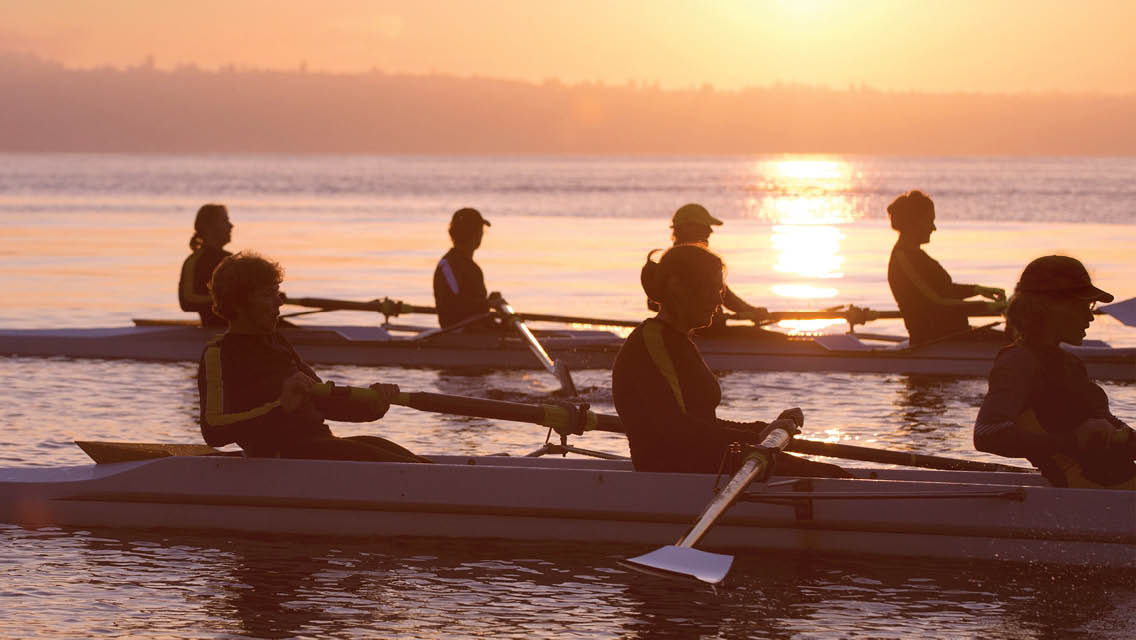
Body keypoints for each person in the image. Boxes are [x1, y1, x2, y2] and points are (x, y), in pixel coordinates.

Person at [613, 244, 850, 477]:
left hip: (706, 462)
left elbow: (706, 424)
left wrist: (763, 429)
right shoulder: (652, 342)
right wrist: (756, 438)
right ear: (677, 287)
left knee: (832, 474)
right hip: (674, 474)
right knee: (834, 478)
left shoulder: (678, 339)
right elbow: (677, 429)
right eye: (713, 289)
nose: (718, 302)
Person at [198, 251, 430, 463]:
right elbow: (214, 431)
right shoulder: (219, 354)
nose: (279, 302)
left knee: (413, 462)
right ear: (238, 303)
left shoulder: (278, 343)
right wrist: (282, 407)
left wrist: (376, 403)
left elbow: (324, 402)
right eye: (268, 294)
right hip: (278, 457)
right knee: (403, 466)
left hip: (318, 446)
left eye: (277, 293)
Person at [974, 256, 1134, 489]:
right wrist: (1069, 442)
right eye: (1083, 306)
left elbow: (1108, 426)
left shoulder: (1071, 363)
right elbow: (986, 433)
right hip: (1089, 496)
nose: (1090, 316)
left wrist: (1126, 437)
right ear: (1049, 307)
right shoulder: (1018, 361)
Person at [886, 190, 1006, 345]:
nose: (934, 228)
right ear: (913, 223)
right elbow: (937, 303)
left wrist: (977, 290)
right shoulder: (903, 259)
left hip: (954, 335)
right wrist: (987, 307)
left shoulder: (916, 255)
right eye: (929, 221)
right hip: (934, 342)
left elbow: (945, 290)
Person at [654, 203, 768, 329]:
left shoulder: (700, 260)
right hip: (701, 332)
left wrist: (751, 311)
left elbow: (724, 294)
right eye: (704, 226)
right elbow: (653, 302)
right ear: (685, 228)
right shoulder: (674, 262)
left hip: (711, 329)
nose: (710, 231)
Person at [433, 207, 500, 330]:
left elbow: (471, 304)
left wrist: (489, 302)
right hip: (459, 332)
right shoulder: (449, 266)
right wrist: (488, 304)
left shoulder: (469, 266)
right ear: (472, 233)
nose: (481, 234)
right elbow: (453, 307)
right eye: (480, 230)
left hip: (476, 329)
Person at [179, 203, 234, 328]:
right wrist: (231, 299)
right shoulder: (194, 262)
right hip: (214, 329)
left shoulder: (231, 259)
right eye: (225, 221)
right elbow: (187, 302)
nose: (231, 226)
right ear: (209, 227)